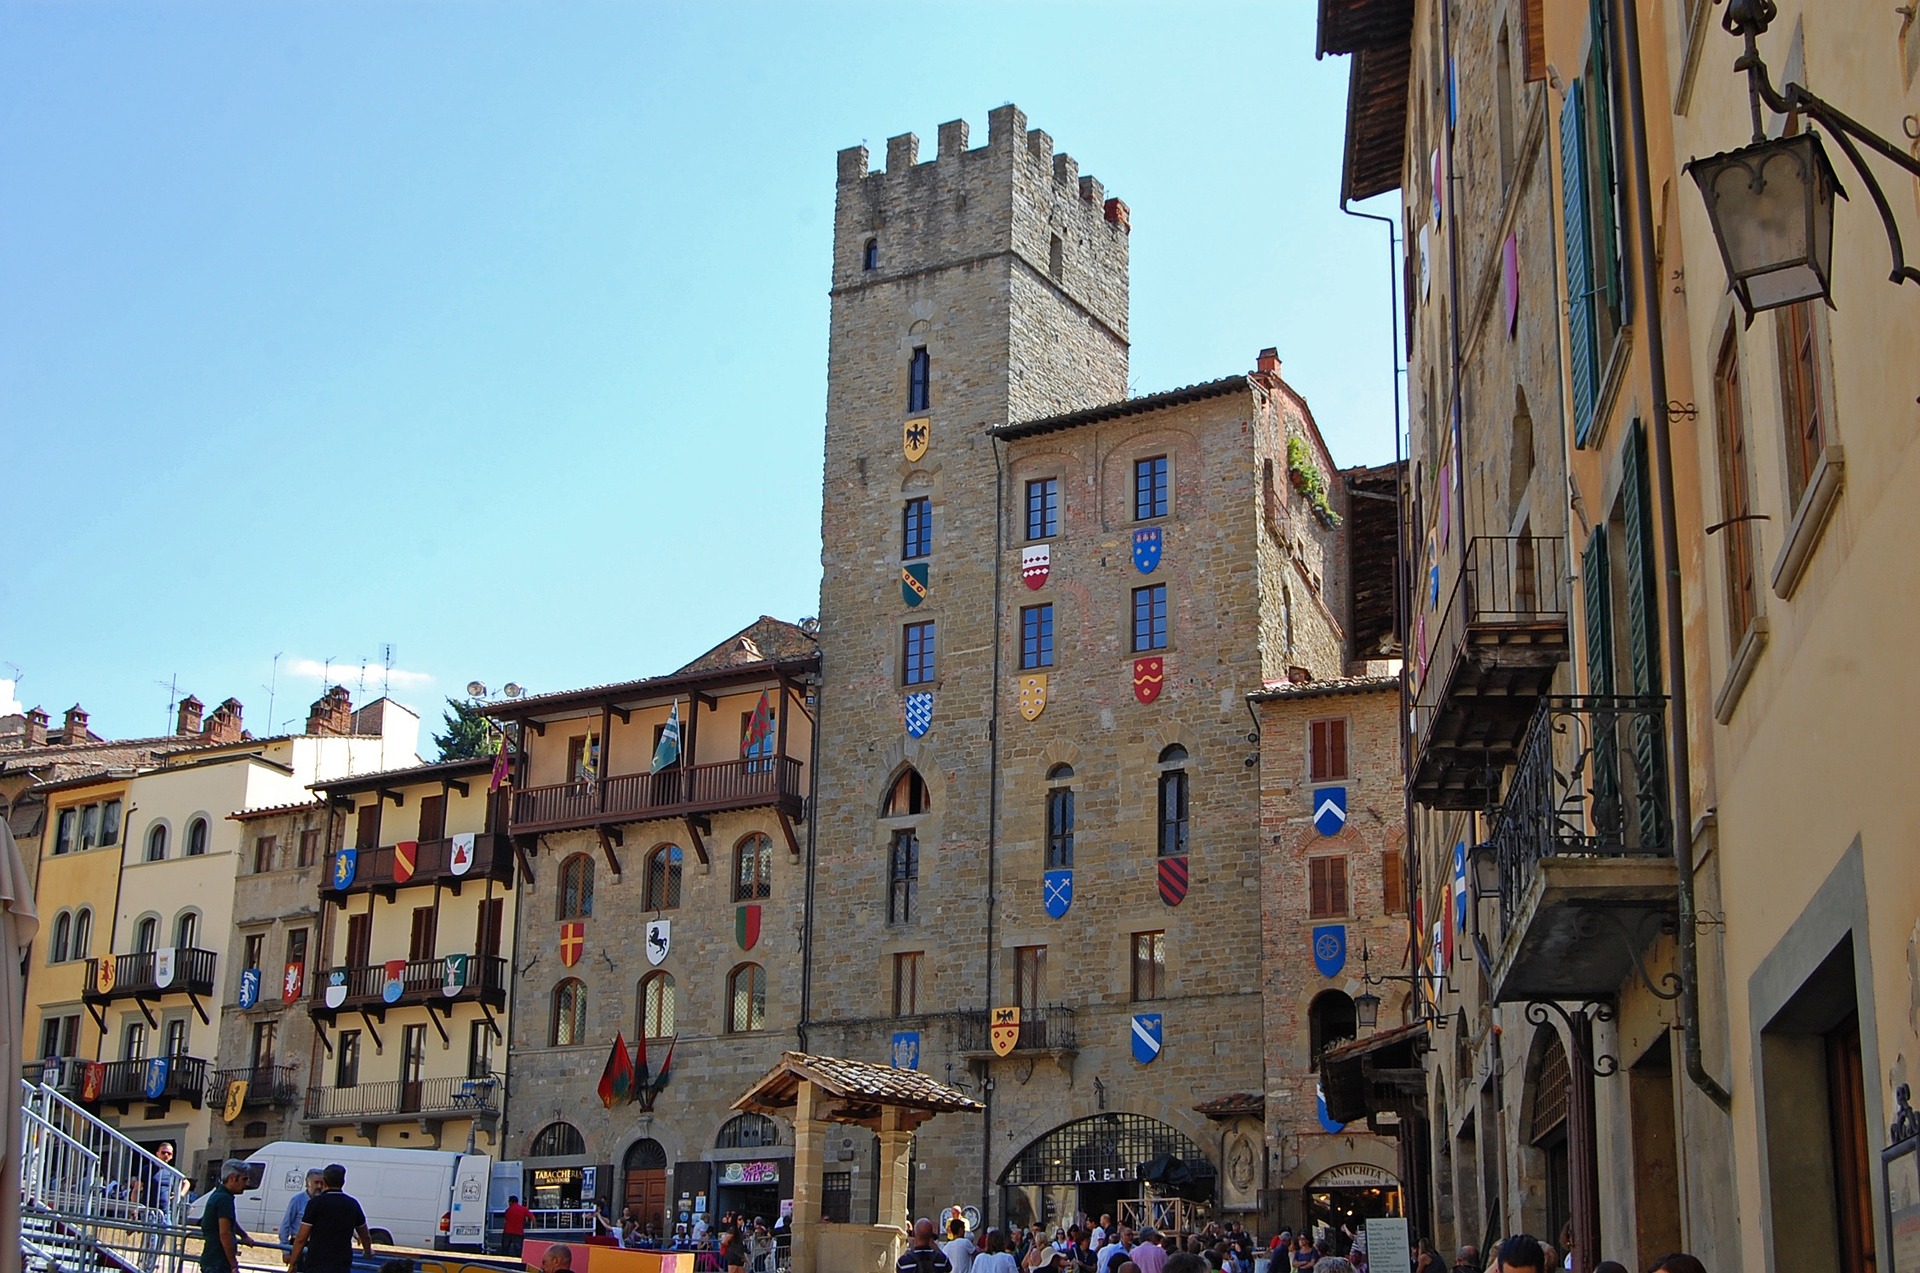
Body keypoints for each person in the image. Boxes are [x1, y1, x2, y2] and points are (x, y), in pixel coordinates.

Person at [285, 1164, 373, 1273]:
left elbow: (301, 1238)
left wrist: (293, 1264)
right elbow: (365, 1236)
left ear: (324, 1182)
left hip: (316, 1263)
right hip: (341, 1264)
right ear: (343, 1182)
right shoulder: (352, 1204)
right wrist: (367, 1252)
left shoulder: (315, 1203)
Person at [200, 1160, 256, 1273]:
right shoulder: (224, 1199)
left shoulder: (218, 1195)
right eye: (244, 1179)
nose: (247, 1184)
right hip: (218, 1262)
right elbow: (225, 1234)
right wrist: (233, 1264)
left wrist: (243, 1235)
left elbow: (229, 1221)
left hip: (212, 1260)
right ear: (232, 1178)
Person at [281, 1170, 326, 1255]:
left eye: (322, 1183)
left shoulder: (326, 1201)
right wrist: (285, 1251)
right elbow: (285, 1225)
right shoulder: (297, 1200)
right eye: (316, 1183)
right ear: (307, 1183)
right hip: (299, 1244)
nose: (319, 1186)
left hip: (319, 1246)